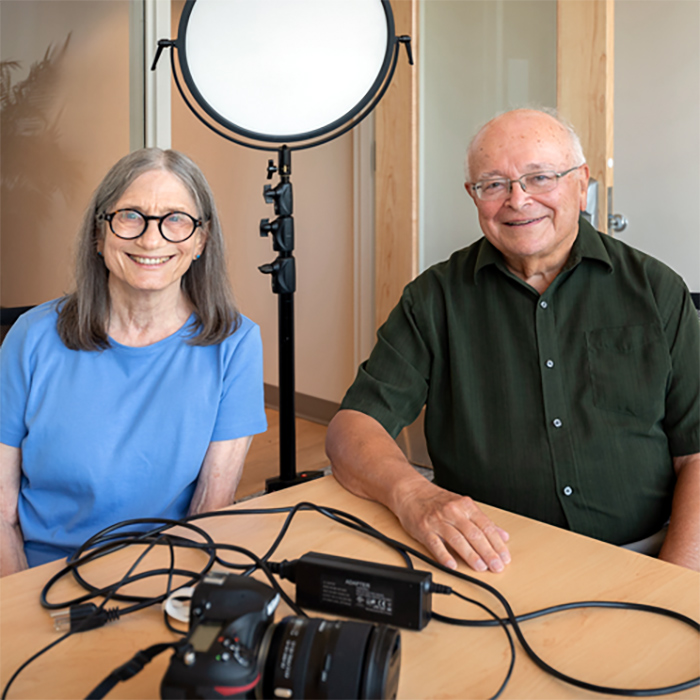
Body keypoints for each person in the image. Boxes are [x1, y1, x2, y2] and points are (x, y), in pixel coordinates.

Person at [326, 108, 699, 574]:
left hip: (645, 555)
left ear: (581, 183)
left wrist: (677, 582)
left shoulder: (656, 289)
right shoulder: (434, 298)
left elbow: (696, 452)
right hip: (490, 560)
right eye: (493, 184)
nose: (518, 201)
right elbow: (354, 426)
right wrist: (415, 496)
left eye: (540, 178)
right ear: (473, 195)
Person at [0, 148, 267, 576]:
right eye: (131, 215)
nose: (151, 239)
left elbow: (210, 509)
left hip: (159, 573)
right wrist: (16, 614)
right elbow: (1, 513)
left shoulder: (236, 344)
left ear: (201, 240)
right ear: (98, 234)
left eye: (176, 219)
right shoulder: (31, 337)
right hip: (37, 575)